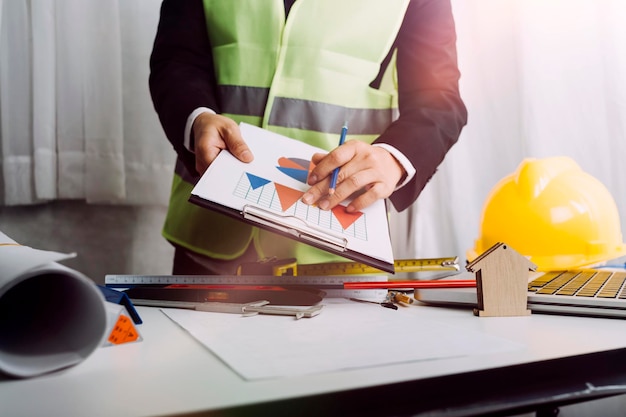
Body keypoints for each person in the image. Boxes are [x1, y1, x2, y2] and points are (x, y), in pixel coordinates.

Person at [149, 0, 467, 275]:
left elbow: (440, 102)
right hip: (211, 229)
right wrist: (196, 118)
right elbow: (176, 60)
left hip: (338, 241)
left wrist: (391, 158)